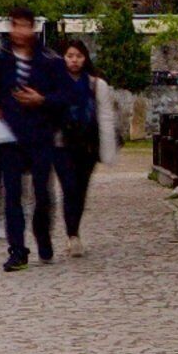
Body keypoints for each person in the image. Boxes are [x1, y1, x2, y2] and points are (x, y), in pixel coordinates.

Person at [0, 6, 77, 271]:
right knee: (12, 195)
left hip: (41, 136)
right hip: (10, 137)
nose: (20, 31)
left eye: (24, 26)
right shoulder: (1, 61)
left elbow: (67, 97)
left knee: (42, 195)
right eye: (15, 25)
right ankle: (17, 249)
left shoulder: (50, 61)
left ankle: (43, 237)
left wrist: (41, 99)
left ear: (32, 28)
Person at [55, 37, 112, 257]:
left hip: (87, 146)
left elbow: (105, 117)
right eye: (70, 56)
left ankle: (74, 230)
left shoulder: (96, 85)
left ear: (85, 58)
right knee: (68, 188)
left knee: (80, 191)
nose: (74, 60)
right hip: (61, 144)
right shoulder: (55, 83)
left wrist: (106, 150)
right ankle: (72, 235)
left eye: (78, 56)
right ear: (63, 58)